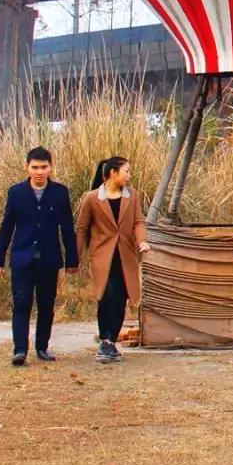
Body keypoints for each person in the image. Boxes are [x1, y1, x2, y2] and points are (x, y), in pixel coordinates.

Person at [0, 146, 79, 365]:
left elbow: (67, 228)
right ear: (27, 168)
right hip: (22, 258)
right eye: (35, 167)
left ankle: (42, 347)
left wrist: (72, 259)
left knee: (46, 305)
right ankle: (20, 349)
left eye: (44, 167)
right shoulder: (16, 193)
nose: (39, 172)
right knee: (21, 303)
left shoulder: (60, 193)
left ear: (51, 168)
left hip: (49, 259)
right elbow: (6, 227)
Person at [75, 156, 151, 364]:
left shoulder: (132, 196)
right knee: (106, 295)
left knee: (121, 297)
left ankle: (111, 342)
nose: (129, 175)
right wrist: (75, 256)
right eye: (126, 171)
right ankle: (106, 339)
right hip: (102, 256)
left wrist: (141, 242)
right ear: (112, 173)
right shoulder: (92, 198)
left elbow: (138, 221)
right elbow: (82, 228)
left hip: (125, 255)